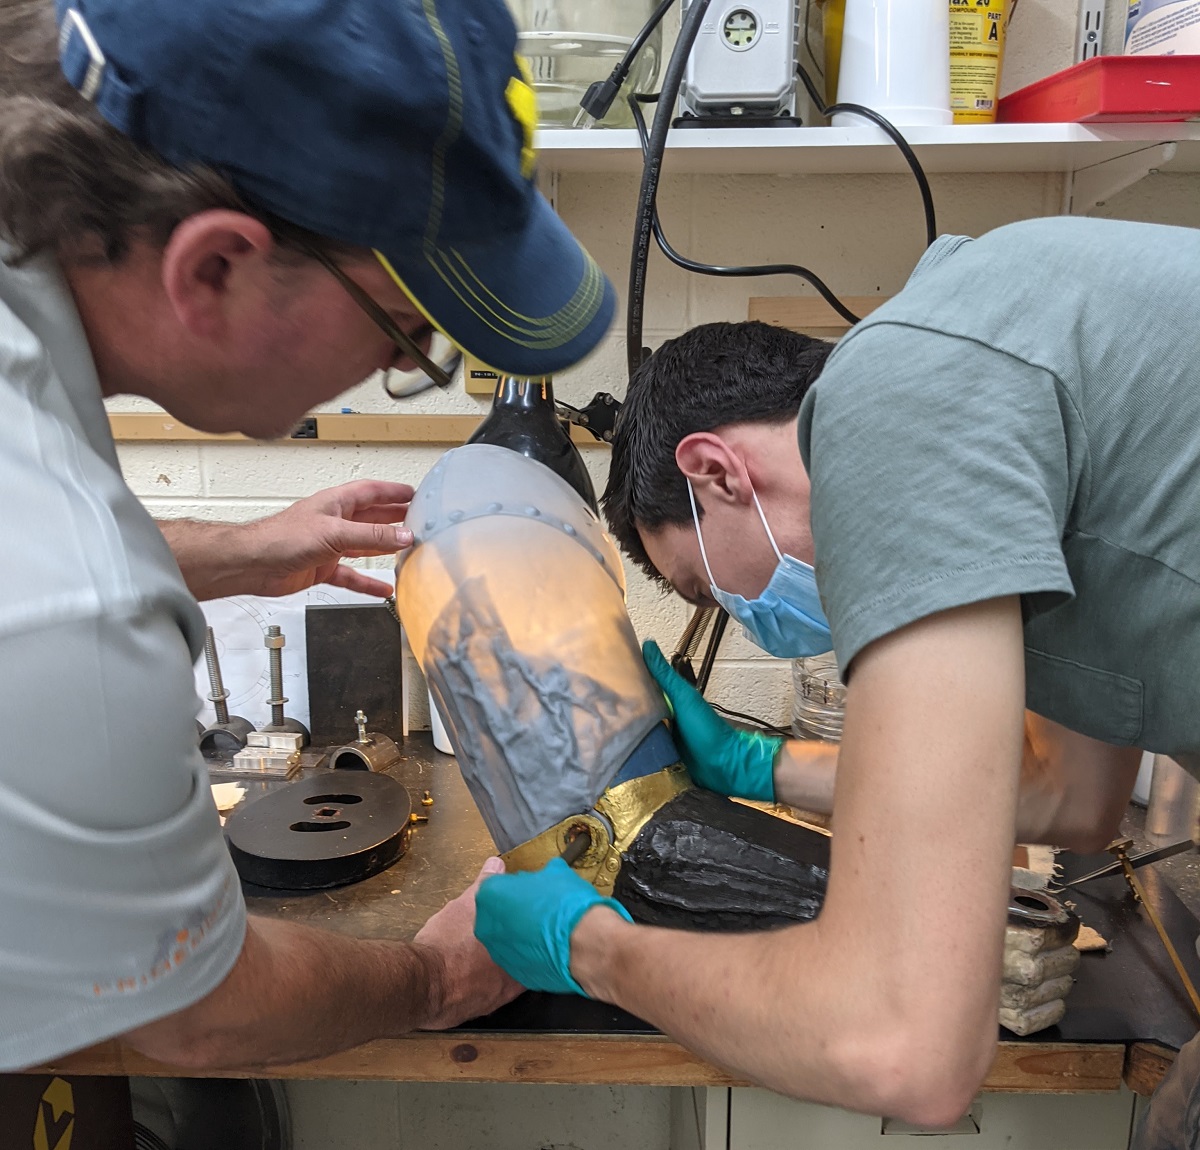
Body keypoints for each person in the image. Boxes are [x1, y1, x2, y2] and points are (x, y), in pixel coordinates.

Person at [473, 215, 1200, 1132]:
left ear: (718, 475)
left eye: (710, 588)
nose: (742, 616)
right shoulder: (983, 382)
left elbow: (905, 1046)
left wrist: (589, 949)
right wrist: (756, 764)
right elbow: (1068, 797)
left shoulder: (893, 399)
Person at [0, 0, 614, 1071]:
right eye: (405, 334)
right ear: (213, 270)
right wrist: (435, 974)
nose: (397, 367)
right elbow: (203, 1009)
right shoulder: (64, 588)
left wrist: (236, 552)